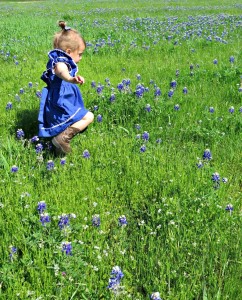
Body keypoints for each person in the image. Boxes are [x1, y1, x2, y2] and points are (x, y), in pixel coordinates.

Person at [38, 21, 94, 154]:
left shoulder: (59, 60)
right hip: (61, 101)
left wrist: (72, 77)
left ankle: (59, 145)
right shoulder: (60, 63)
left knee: (75, 118)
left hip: (62, 98)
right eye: (80, 54)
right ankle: (63, 139)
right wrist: (70, 78)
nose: (80, 58)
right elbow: (61, 71)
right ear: (69, 51)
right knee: (88, 117)